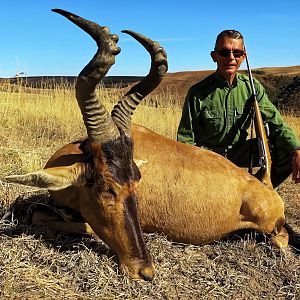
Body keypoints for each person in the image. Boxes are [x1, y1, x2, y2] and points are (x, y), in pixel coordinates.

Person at [177, 30, 300, 188]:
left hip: (240, 152)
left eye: (237, 52)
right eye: (224, 52)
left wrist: (297, 148)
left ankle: (259, 190)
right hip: (208, 158)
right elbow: (185, 140)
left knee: (286, 148)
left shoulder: (252, 87)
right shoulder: (197, 92)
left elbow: (276, 122)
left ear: (243, 56)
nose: (231, 58)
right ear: (214, 56)